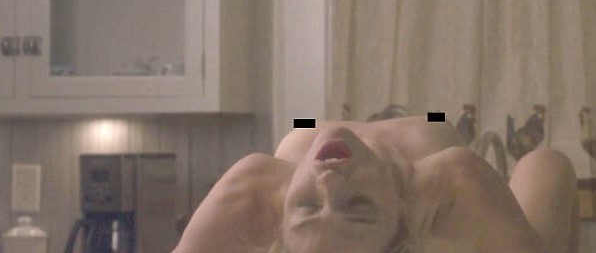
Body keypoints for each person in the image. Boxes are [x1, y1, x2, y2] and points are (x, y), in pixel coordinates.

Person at [171, 116, 579, 253]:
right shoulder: (450, 180)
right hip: (435, 155)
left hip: (307, 129)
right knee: (548, 163)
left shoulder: (256, 189)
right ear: (402, 209)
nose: (329, 182)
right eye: (358, 206)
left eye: (308, 205)